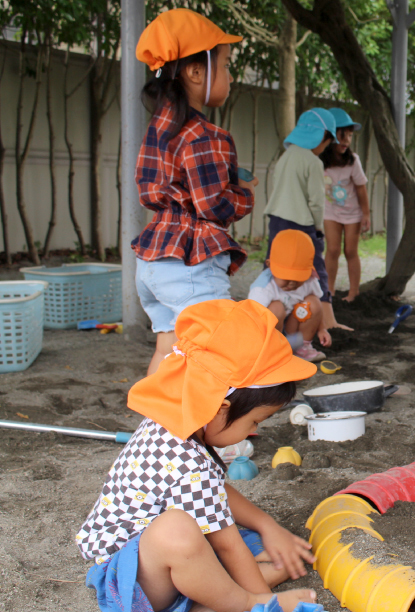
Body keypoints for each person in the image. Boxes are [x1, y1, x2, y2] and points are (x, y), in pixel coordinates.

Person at [76, 300, 319, 612]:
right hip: (131, 580)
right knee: (177, 530)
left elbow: (213, 494)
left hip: (170, 560)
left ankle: (211, 601)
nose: (252, 431)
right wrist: (265, 603)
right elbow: (227, 545)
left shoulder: (179, 418)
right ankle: (245, 604)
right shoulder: (186, 460)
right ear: (221, 408)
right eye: (254, 422)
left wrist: (267, 525)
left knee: (285, 559)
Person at [132, 9, 256, 377]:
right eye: (227, 65)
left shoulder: (158, 128)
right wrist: (243, 193)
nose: (231, 76)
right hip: (189, 261)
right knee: (217, 347)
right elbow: (213, 205)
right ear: (196, 71)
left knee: (169, 348)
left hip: (153, 256)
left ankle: (154, 430)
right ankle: (221, 433)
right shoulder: (205, 135)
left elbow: (150, 186)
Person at [263, 108, 353, 332]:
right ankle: (326, 321)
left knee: (276, 267)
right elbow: (316, 202)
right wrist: (318, 229)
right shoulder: (313, 162)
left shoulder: (285, 157)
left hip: (276, 220)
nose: (325, 147)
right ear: (322, 136)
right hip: (301, 224)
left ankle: (270, 320)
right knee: (315, 269)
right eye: (328, 141)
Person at [248, 229, 330, 362]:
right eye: (285, 277)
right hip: (270, 336)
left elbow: (318, 309)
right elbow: (251, 321)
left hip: (293, 335)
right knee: (276, 308)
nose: (291, 283)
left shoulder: (309, 280)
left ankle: (301, 348)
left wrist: (322, 329)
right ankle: (272, 352)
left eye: (298, 277)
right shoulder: (262, 289)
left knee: (314, 302)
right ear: (270, 266)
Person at [320, 108, 370, 303]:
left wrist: (365, 214)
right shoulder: (320, 160)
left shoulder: (353, 160)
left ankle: (353, 292)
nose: (346, 140)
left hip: (352, 214)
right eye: (342, 135)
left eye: (349, 135)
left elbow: (361, 188)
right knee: (332, 250)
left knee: (350, 251)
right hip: (330, 212)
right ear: (330, 135)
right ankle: (329, 291)